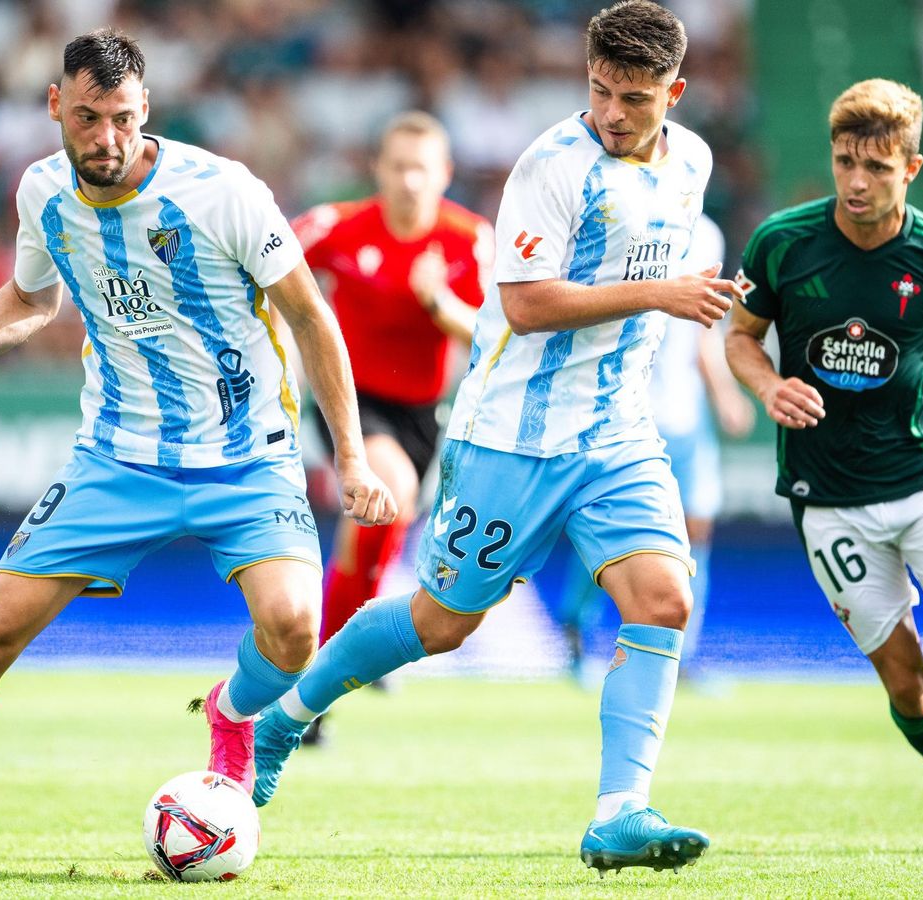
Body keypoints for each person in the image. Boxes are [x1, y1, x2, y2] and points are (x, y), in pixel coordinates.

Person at [0, 29, 394, 880]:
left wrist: (350, 459)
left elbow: (311, 316)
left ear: (146, 110)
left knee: (295, 627)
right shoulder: (44, 192)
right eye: (88, 117)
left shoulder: (223, 193)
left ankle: (234, 717)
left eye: (123, 118)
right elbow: (29, 297)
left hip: (246, 457)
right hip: (117, 460)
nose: (107, 139)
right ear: (56, 106)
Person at [250, 1, 743, 874]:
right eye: (600, 90)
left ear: (676, 90)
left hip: (617, 433)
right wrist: (662, 293)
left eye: (634, 97)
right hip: (512, 435)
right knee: (442, 624)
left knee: (664, 598)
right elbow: (525, 303)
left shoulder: (692, 162)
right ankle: (288, 715)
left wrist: (687, 299)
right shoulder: (554, 165)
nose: (613, 113)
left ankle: (620, 811)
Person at [724, 78, 923, 856]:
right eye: (843, 163)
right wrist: (768, 384)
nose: (856, 182)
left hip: (921, 476)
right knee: (905, 682)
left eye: (877, 167)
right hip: (825, 497)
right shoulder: (783, 243)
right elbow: (738, 337)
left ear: (912, 168)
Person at [291, 111, 490, 744]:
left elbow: (497, 335)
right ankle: (318, 685)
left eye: (422, 169)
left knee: (376, 534)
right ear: (377, 168)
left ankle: (346, 655)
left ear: (444, 175)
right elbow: (261, 264)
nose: (409, 181)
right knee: (389, 492)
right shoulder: (338, 225)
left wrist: (438, 302)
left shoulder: (470, 240)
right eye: (398, 166)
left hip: (425, 412)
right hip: (348, 400)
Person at [556, 214, 753, 686]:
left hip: (685, 415)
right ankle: (576, 629)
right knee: (614, 529)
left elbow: (704, 330)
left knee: (696, 528)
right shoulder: (623, 217)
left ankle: (680, 656)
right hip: (627, 410)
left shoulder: (707, 232)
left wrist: (723, 394)